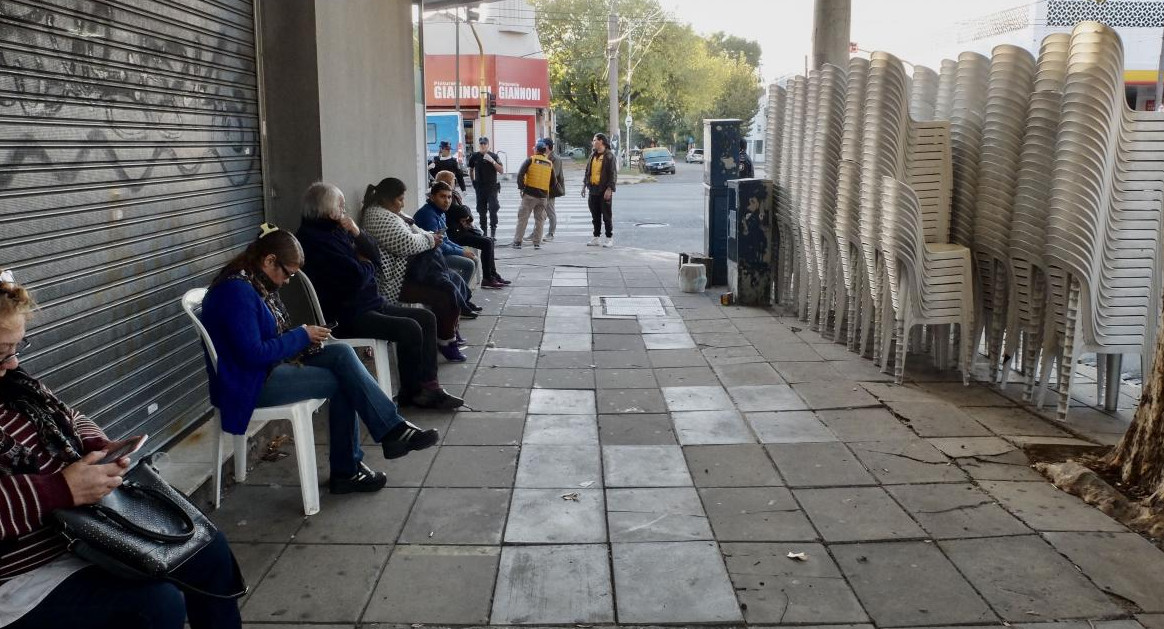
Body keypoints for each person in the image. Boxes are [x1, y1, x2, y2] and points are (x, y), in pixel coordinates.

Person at [0, 268, 244, 629]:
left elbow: (71, 415)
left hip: (84, 527)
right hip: (25, 570)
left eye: (16, 348)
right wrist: (61, 489)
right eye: (2, 352)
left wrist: (100, 445)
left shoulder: (16, 384)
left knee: (209, 549)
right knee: (155, 606)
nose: (14, 362)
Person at [200, 227, 442, 496]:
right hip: (249, 383)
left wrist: (305, 338)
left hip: (265, 369)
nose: (287, 281)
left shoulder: (254, 282)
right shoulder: (237, 292)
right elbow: (253, 354)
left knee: (342, 353)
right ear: (269, 260)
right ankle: (350, 467)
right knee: (343, 382)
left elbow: (267, 341)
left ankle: (388, 434)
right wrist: (301, 335)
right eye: (287, 273)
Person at [294, 182, 466, 402]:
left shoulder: (336, 230)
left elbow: (373, 255)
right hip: (349, 314)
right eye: (341, 207)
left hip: (369, 302)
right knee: (410, 328)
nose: (344, 212)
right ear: (327, 210)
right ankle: (412, 393)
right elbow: (358, 275)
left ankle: (429, 386)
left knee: (426, 317)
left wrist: (356, 233)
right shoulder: (315, 240)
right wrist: (365, 265)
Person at [360, 177, 471, 360]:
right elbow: (406, 243)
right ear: (387, 198)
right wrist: (430, 240)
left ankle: (449, 330)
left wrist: (429, 238)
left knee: (455, 280)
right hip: (396, 279)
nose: (403, 203)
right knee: (445, 293)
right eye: (400, 199)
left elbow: (418, 232)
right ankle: (445, 339)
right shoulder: (377, 216)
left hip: (414, 271)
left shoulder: (395, 213)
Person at [435, 170, 509, 288]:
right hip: (455, 234)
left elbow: (465, 212)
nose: (455, 182)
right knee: (486, 243)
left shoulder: (452, 195)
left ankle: (493, 274)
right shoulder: (447, 196)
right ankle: (487, 278)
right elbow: (462, 211)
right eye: (453, 180)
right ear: (448, 182)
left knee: (489, 240)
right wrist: (465, 213)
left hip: (459, 230)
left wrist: (465, 213)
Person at [413, 180, 478, 287]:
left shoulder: (440, 212)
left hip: (438, 252)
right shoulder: (428, 215)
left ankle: (459, 296)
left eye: (449, 197)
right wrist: (462, 253)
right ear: (432, 197)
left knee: (473, 259)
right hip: (428, 257)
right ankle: (457, 298)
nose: (447, 201)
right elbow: (438, 244)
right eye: (442, 196)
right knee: (469, 264)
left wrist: (462, 250)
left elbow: (446, 239)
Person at [512, 140, 552, 249]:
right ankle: (537, 243)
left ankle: (517, 242)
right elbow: (553, 181)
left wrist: (521, 187)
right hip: (543, 196)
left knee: (523, 218)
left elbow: (520, 174)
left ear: (537, 150)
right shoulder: (549, 163)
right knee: (540, 220)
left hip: (529, 195)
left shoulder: (531, 160)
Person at [524, 137, 565, 242]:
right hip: (542, 189)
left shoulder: (555, 159)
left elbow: (553, 176)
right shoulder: (544, 157)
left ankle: (551, 233)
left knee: (550, 212)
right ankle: (535, 234)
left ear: (547, 146)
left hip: (550, 190)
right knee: (540, 214)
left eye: (543, 144)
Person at [582, 132, 617, 248]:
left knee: (606, 215)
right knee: (595, 215)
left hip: (604, 190)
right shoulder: (593, 155)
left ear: (601, 141)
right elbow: (588, 171)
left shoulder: (609, 156)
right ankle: (596, 237)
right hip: (593, 189)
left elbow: (612, 174)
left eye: (594, 140)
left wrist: (609, 189)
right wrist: (584, 185)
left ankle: (609, 238)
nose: (593, 142)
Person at [467, 136, 503, 238]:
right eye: (481, 144)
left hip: (491, 187)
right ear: (479, 145)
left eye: (485, 144)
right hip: (480, 187)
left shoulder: (494, 156)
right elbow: (471, 169)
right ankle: (484, 232)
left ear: (488, 145)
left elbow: (501, 170)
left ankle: (493, 232)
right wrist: (473, 181)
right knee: (481, 211)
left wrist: (492, 161)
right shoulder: (475, 156)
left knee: (493, 208)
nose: (483, 146)